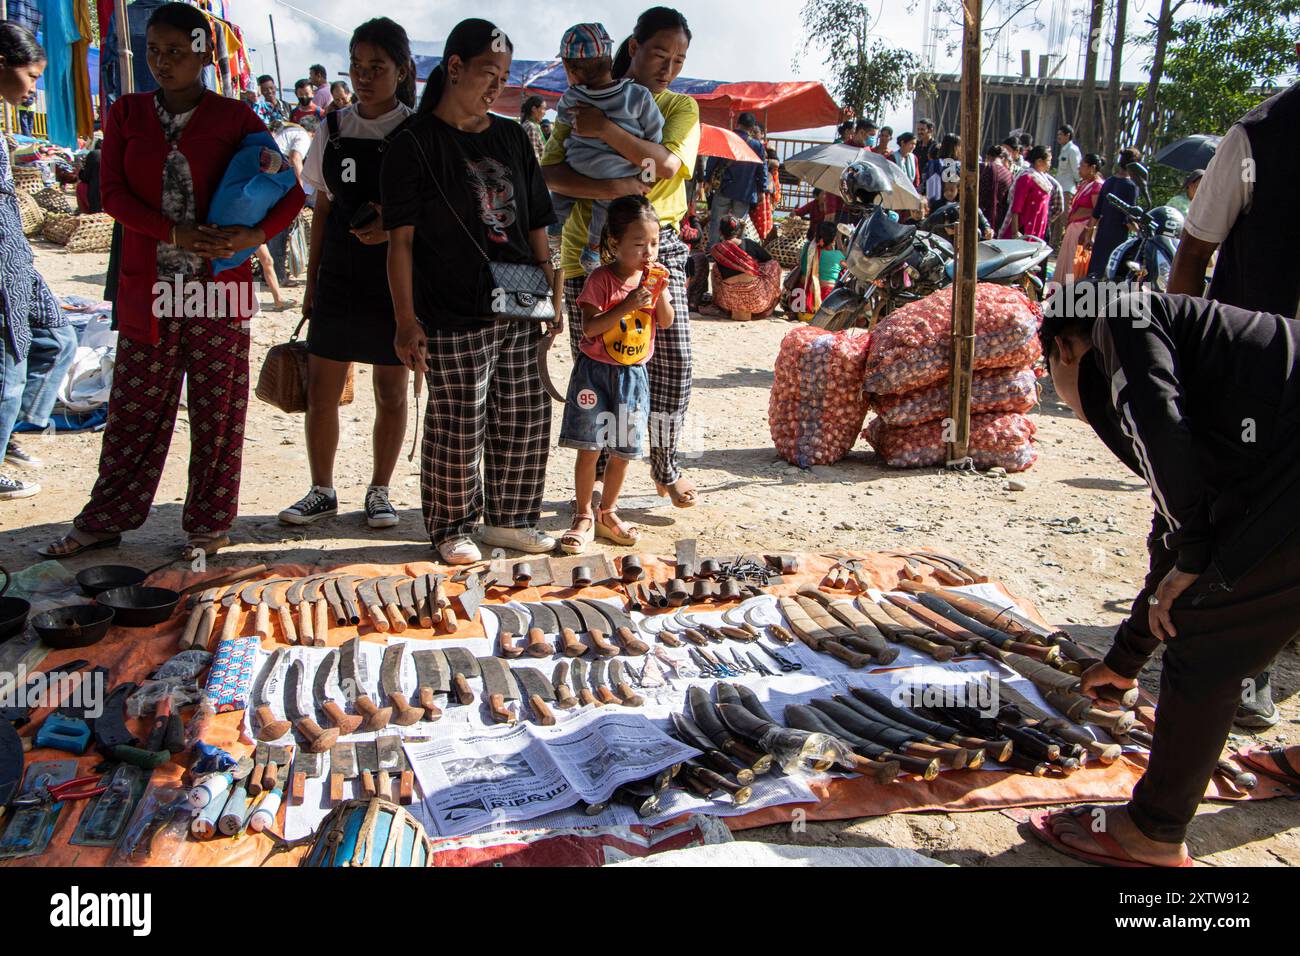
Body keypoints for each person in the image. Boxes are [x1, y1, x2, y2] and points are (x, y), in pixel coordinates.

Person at [1036, 289, 1300, 867]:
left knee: (1206, 639)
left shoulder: (1118, 314)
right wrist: (1126, 659)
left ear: (1064, 347)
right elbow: (1179, 522)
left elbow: (1154, 415)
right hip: (1281, 459)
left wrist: (1195, 557)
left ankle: (1152, 834)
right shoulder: (1214, 377)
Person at [39, 2, 305, 556]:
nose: (163, 62)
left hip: (219, 289)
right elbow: (110, 194)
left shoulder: (237, 119)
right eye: (155, 51)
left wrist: (249, 240)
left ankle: (209, 524)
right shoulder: (127, 115)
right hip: (149, 288)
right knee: (136, 410)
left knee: (218, 412)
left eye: (176, 52)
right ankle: (105, 518)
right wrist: (174, 234)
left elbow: (292, 193)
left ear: (204, 53)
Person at [383, 17, 560, 564]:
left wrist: (550, 295)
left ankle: (511, 520)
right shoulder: (412, 144)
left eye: (503, 76)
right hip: (452, 305)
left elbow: (535, 223)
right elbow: (401, 243)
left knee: (525, 414)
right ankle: (452, 525)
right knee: (460, 416)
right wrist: (406, 320)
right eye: (488, 72)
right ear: (454, 67)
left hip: (521, 298)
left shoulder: (513, 135)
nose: (497, 86)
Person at [1166, 81, 1300, 728]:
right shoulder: (1258, 137)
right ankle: (1246, 666)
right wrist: (1190, 356)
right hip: (1258, 368)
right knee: (1244, 510)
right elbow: (1194, 251)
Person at [542, 6, 701, 509]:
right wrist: (615, 183)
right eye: (660, 53)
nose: (668, 67)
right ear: (633, 48)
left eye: (679, 59)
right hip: (587, 250)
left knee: (675, 360)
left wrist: (606, 131)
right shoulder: (576, 102)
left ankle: (664, 461)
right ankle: (596, 491)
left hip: (659, 248)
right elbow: (549, 175)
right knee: (599, 365)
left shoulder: (679, 108)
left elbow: (666, 167)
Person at [281, 17, 416, 530]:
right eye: (357, 66)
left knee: (391, 391)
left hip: (395, 280)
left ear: (401, 70)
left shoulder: (417, 132)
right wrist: (312, 282)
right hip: (340, 272)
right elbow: (322, 206)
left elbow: (433, 210)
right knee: (321, 390)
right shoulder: (331, 128)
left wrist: (392, 229)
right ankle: (322, 489)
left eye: (376, 67)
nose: (364, 76)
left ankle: (380, 491)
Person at [559, 195, 673, 553]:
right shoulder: (601, 280)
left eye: (653, 243)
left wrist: (661, 293)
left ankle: (608, 511)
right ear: (614, 243)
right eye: (639, 244)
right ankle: (582, 514)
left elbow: (665, 322)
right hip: (594, 374)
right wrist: (626, 305)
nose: (648, 252)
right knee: (590, 447)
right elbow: (590, 328)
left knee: (623, 450)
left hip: (633, 376)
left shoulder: (652, 281)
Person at [0, 22, 75, 500]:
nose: (34, 89)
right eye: (30, 76)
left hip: (16, 261)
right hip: (3, 266)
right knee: (8, 371)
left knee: (57, 338)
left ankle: (8, 435)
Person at [548, 22, 664, 275]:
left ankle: (554, 230)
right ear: (609, 59)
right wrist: (642, 180)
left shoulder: (571, 97)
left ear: (572, 69)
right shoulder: (638, 96)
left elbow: (565, 124)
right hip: (617, 173)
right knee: (603, 210)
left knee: (559, 199)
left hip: (575, 168)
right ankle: (592, 249)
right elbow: (655, 139)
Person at [705, 110, 763, 247]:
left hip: (724, 187)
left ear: (737, 123)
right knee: (739, 224)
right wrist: (762, 189)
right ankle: (738, 252)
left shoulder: (725, 138)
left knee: (717, 220)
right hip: (745, 190)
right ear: (752, 127)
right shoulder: (756, 145)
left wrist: (707, 179)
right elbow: (762, 169)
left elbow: (712, 159)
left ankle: (713, 249)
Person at [709, 214, 781, 320]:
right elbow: (769, 261)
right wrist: (755, 268)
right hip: (757, 302)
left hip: (728, 303)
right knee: (774, 265)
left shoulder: (717, 250)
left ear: (720, 231)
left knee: (715, 268)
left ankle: (717, 298)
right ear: (738, 231)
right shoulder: (750, 244)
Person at [1086, 147, 1141, 280]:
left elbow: (1096, 213)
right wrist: (1139, 232)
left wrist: (1089, 236)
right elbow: (1129, 219)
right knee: (1111, 274)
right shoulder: (1131, 187)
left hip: (1102, 234)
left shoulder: (1109, 182)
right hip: (1119, 237)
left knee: (1096, 272)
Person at [1054, 152, 1103, 283]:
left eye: (1082, 165)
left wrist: (1088, 233)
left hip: (1082, 229)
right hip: (1074, 228)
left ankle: (1070, 295)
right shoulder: (1085, 183)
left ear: (1092, 168)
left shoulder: (1097, 186)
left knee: (1074, 265)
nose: (1079, 169)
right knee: (1066, 262)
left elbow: (1096, 211)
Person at [1000, 144, 1054, 241]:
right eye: (1049, 161)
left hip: (1038, 228)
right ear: (1039, 161)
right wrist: (1015, 232)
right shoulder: (1026, 178)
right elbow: (1016, 208)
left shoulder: (1043, 179)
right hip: (1025, 229)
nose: (1050, 164)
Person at [793, 220, 844, 321]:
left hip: (800, 304)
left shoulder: (807, 248)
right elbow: (847, 266)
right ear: (833, 239)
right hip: (824, 302)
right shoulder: (838, 255)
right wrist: (839, 239)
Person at [1053, 124, 1081, 246]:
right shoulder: (1064, 149)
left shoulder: (1073, 150)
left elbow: (1077, 170)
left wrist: (1078, 184)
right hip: (1060, 188)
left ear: (1067, 135)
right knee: (1056, 219)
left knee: (1065, 219)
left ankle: (1067, 244)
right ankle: (1054, 244)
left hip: (1067, 189)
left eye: (1060, 134)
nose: (1058, 137)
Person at [977, 143, 1011, 236]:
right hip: (997, 220)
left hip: (976, 216)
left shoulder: (980, 168)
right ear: (1003, 158)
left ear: (987, 156)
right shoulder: (1008, 175)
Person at [748, 147, 779, 241]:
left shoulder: (761, 150)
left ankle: (760, 237)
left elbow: (775, 163)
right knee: (760, 218)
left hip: (761, 191)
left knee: (760, 217)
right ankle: (760, 237)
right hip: (762, 191)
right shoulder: (760, 148)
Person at [923, 132, 959, 204]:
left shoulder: (931, 164)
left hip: (932, 205)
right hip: (950, 208)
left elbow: (924, 183)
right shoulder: (955, 166)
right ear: (955, 147)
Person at [520, 94, 547, 164]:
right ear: (534, 109)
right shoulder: (531, 127)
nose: (545, 113)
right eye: (543, 108)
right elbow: (533, 159)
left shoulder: (527, 125)